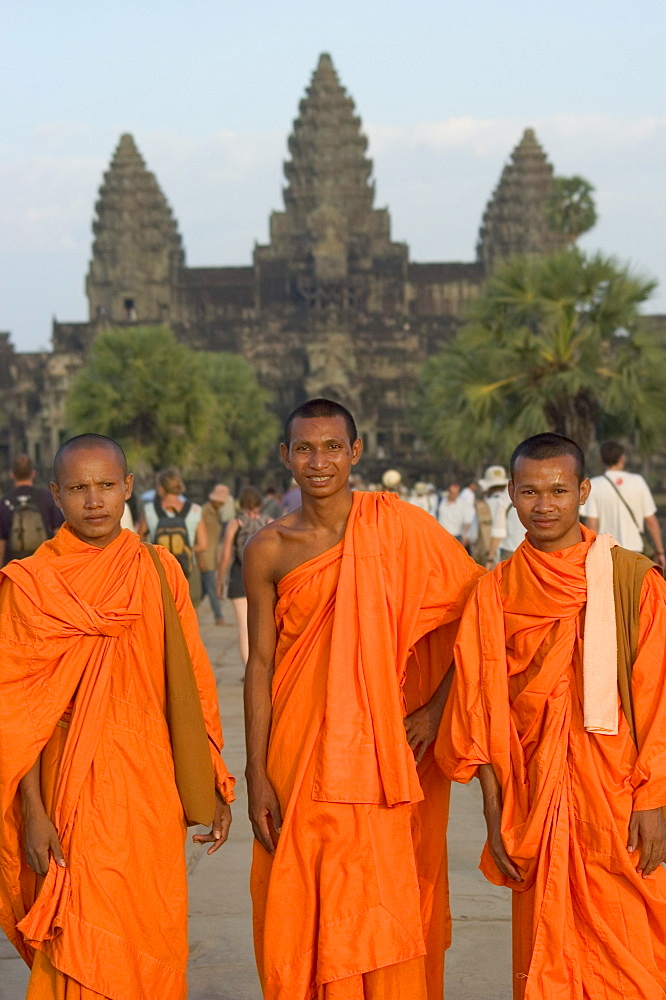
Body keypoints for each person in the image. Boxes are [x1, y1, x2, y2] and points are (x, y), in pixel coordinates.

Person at [243, 398, 482, 1000]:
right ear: (285, 457)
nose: (318, 461)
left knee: (375, 889)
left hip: (377, 755)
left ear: (356, 452)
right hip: (297, 751)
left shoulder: (399, 527)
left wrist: (435, 709)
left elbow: (480, 605)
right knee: (300, 890)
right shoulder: (268, 548)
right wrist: (255, 775)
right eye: (304, 448)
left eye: (331, 447)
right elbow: (261, 662)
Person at [0, 433, 234, 999]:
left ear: (128, 488)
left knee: (150, 929)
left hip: (150, 791)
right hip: (68, 792)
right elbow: (17, 711)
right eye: (79, 488)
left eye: (107, 485)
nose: (94, 500)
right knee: (80, 936)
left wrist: (213, 782)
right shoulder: (31, 584)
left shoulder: (159, 571)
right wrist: (33, 812)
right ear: (56, 494)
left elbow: (193, 684)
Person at [440, 432, 666, 999]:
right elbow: (479, 709)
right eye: (531, 492)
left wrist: (654, 800)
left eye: (559, 490)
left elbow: (659, 697)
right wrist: (494, 813)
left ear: (583, 491)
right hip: (534, 796)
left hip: (617, 794)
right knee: (547, 946)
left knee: (634, 952)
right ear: (510, 495)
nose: (545, 505)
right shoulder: (494, 592)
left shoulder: (633, 581)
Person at [583, 440, 666, 570]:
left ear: (602, 459)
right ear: (622, 458)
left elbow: (592, 524)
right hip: (636, 552)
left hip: (608, 552)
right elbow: (651, 521)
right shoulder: (638, 482)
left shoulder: (595, 485)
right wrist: (660, 551)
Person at [217, 486, 268, 668]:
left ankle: (249, 667)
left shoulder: (235, 524)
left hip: (239, 575)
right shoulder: (268, 522)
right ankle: (264, 664)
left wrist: (220, 580)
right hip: (264, 577)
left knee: (243, 626)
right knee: (263, 625)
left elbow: (225, 555)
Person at [139, 467, 208, 597]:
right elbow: (203, 545)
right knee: (189, 612)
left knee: (160, 612)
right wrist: (184, 548)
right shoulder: (195, 510)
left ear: (161, 487)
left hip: (158, 569)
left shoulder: (149, 510)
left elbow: (140, 540)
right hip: (188, 569)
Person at [0, 455, 63, 565]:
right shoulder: (47, 497)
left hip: (14, 568)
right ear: (33, 473)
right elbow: (59, 533)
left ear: (12, 475)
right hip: (43, 564)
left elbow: (1, 543)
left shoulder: (4, 502)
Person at [198, 484, 229, 625]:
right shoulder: (203, 512)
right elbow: (197, 536)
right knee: (211, 588)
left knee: (203, 590)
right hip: (203, 556)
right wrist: (200, 558)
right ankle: (219, 617)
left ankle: (190, 612)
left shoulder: (217, 513)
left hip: (211, 556)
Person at [436, 482, 471, 546]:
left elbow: (467, 521)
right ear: (448, 491)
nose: (454, 495)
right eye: (452, 493)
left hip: (457, 538)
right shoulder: (439, 502)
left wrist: (465, 535)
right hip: (441, 537)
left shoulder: (463, 504)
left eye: (456, 493)